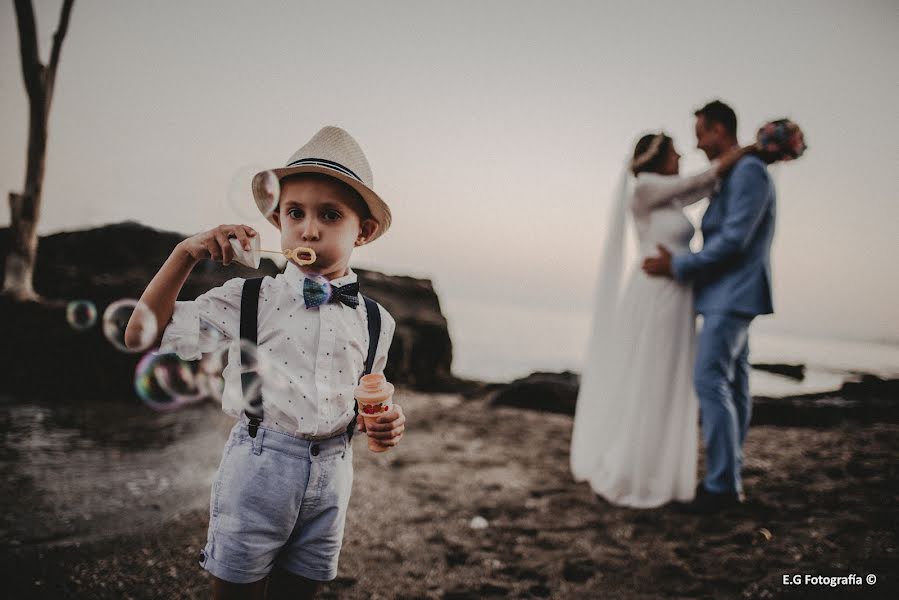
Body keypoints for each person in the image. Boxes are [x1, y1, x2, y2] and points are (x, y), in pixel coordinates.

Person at [126, 126, 407, 599]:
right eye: (295, 213)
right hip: (259, 470)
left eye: (330, 215)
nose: (309, 229)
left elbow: (364, 401)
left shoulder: (378, 321)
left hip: (334, 475)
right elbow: (140, 335)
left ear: (365, 230)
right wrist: (186, 253)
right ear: (278, 221)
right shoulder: (249, 298)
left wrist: (386, 422)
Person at [570, 130, 744, 508]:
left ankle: (657, 466)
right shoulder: (646, 187)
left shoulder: (670, 196)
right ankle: (633, 467)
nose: (681, 155)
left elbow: (702, 187)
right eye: (674, 151)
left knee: (669, 378)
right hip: (655, 296)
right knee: (650, 375)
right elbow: (700, 180)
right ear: (657, 157)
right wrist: (749, 150)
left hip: (678, 293)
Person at [643, 100, 777, 514]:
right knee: (733, 387)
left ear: (719, 129)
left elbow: (733, 241)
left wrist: (678, 265)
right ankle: (728, 480)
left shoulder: (749, 173)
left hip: (732, 294)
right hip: (729, 294)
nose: (698, 143)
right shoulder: (736, 172)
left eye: (701, 132)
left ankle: (721, 486)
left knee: (709, 383)